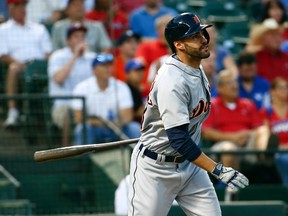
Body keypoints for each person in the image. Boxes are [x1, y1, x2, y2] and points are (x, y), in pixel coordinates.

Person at [128, 13, 248, 216]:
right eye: (194, 36)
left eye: (202, 32)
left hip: (189, 165)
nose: (203, 38)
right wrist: (217, 169)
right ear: (179, 45)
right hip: (156, 169)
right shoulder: (172, 81)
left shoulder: (196, 68)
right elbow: (179, 140)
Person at [0, 0, 52, 127]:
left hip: (40, 66)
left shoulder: (38, 28)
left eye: (23, 5)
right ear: (10, 9)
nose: (22, 9)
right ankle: (13, 112)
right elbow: (3, 55)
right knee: (13, 68)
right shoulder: (3, 29)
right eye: (17, 6)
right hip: (20, 66)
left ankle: (52, 113)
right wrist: (21, 64)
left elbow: (48, 53)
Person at [202, 70, 266, 170]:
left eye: (235, 82)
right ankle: (231, 183)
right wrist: (233, 137)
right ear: (220, 88)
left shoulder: (248, 104)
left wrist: (246, 134)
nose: (234, 86)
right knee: (229, 149)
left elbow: (258, 127)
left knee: (263, 130)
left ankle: (265, 158)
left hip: (248, 142)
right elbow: (206, 133)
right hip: (223, 143)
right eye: (229, 83)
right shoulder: (212, 105)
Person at [72, 53, 141, 145]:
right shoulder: (82, 87)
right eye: (103, 65)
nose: (108, 68)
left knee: (134, 127)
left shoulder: (121, 86)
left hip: (117, 128)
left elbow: (127, 117)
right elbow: (78, 118)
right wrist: (102, 123)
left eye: (109, 65)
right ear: (94, 70)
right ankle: (83, 159)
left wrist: (115, 123)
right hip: (94, 129)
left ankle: (139, 158)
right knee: (82, 129)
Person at [48, 23, 95, 146]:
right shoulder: (57, 56)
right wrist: (74, 56)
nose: (80, 40)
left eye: (82, 36)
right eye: (76, 37)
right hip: (64, 104)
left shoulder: (92, 58)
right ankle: (67, 151)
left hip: (88, 104)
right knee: (67, 115)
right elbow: (59, 79)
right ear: (68, 41)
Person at [260, 77, 288, 186]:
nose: (285, 90)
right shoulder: (266, 112)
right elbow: (267, 136)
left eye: (286, 87)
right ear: (272, 92)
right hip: (277, 152)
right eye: (281, 88)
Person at [245, 18, 288, 82]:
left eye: (278, 34)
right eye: (271, 34)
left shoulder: (285, 57)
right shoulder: (255, 55)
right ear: (263, 38)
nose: (276, 38)